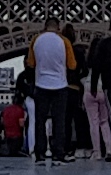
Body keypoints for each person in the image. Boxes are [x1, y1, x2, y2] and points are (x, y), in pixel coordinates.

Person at [29, 19, 77, 165]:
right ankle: (58, 154)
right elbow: (72, 65)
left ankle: (40, 154)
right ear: (58, 28)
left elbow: (31, 63)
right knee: (59, 121)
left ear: (45, 27)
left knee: (40, 121)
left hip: (41, 84)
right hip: (60, 85)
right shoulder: (64, 41)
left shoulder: (36, 40)